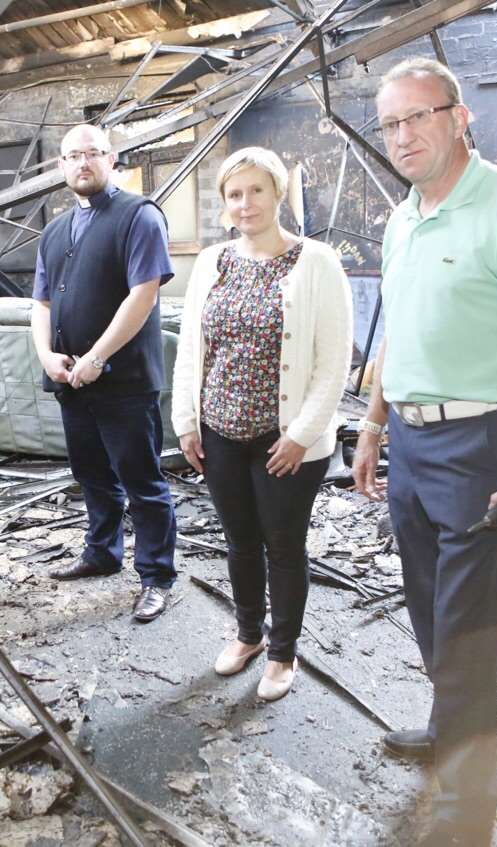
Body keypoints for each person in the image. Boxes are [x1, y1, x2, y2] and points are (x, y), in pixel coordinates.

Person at [353, 58, 497, 845]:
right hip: (409, 437)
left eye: (418, 116)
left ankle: (465, 812)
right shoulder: (402, 215)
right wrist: (373, 427)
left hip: (479, 436)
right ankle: (453, 729)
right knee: (427, 606)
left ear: (459, 116)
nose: (402, 135)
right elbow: (396, 331)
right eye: (389, 124)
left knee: (467, 623)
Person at [172, 146, 353, 701]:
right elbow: (190, 349)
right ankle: (249, 634)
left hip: (286, 443)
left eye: (256, 191)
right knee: (240, 542)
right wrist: (186, 420)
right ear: (224, 204)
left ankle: (282, 652)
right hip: (221, 433)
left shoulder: (316, 261)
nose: (245, 203)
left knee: (283, 544)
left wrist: (301, 434)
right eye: (234, 194)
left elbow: (333, 358)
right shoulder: (212, 261)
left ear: (278, 194)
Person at [30, 123, 177, 622]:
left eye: (93, 153)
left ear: (113, 160)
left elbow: (144, 294)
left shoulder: (140, 216)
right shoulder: (53, 231)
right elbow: (41, 303)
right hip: (71, 380)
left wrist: (96, 357)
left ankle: (156, 576)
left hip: (124, 381)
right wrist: (47, 355)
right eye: (73, 156)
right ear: (61, 167)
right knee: (91, 475)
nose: (82, 163)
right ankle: (102, 553)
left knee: (143, 482)